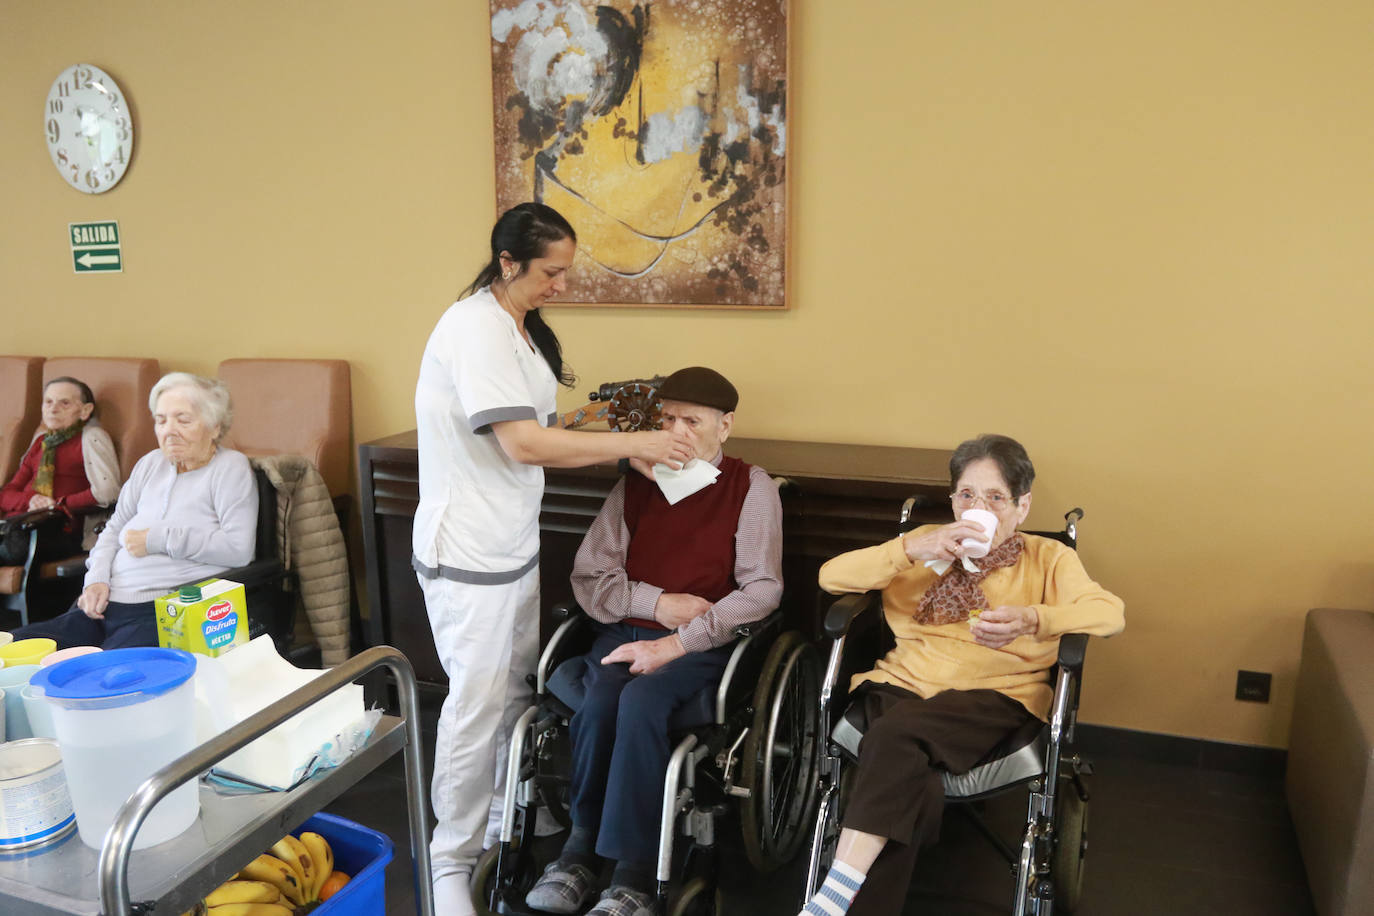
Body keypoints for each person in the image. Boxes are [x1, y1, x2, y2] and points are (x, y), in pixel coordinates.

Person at [412, 202, 694, 916]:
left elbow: (536, 427)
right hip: (467, 547)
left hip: (510, 541)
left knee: (512, 692)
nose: (562, 285)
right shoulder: (471, 327)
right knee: (474, 703)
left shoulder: (516, 328)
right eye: (551, 272)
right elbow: (523, 445)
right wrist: (636, 448)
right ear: (509, 263)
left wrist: (599, 420)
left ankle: (511, 815)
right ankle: (449, 857)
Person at [798, 434, 1125, 916]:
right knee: (908, 762)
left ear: (1021, 506)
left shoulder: (1049, 558)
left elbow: (1109, 613)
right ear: (953, 501)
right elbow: (831, 577)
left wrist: (1036, 619)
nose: (979, 506)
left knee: (894, 738)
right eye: (967, 495)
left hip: (994, 696)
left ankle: (832, 898)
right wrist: (908, 549)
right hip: (903, 683)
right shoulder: (923, 546)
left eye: (995, 497)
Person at [523, 367, 783, 916]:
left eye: (692, 420)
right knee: (600, 698)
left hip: (704, 644)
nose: (677, 431)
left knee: (642, 702)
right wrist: (657, 603)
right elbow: (590, 576)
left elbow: (761, 590)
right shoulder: (638, 480)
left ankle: (634, 875)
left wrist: (678, 639)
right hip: (626, 631)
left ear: (725, 425)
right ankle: (578, 854)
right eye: (666, 419)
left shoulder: (749, 485)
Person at [8, 373, 256, 649]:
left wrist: (156, 539)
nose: (168, 430)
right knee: (16, 647)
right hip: (100, 605)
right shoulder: (151, 463)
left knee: (104, 679)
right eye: (161, 420)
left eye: (183, 420)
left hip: (163, 611)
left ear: (214, 426)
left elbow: (238, 549)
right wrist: (95, 580)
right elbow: (114, 528)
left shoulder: (231, 468)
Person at [0, 377, 120, 564]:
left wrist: (57, 505)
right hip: (16, 526)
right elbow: (7, 493)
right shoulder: (41, 441)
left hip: (56, 532)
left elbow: (108, 492)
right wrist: (30, 500)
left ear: (85, 410)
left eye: (64, 403)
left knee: (12, 544)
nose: (53, 409)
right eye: (48, 402)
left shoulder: (91, 438)